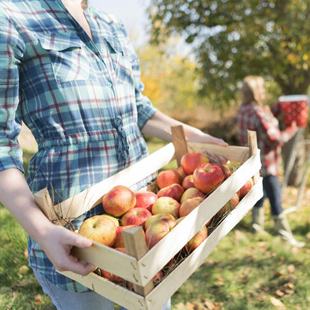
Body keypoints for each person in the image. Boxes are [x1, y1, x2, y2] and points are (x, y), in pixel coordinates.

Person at [0, 1, 228, 309]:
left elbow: (140, 108)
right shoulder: (13, 18)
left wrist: (195, 137)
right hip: (75, 238)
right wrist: (43, 233)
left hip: (147, 225)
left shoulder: (111, 25)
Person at [237, 75, 305, 248]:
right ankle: (285, 235)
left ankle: (256, 226)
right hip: (268, 164)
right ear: (256, 93)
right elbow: (275, 139)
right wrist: (292, 129)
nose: (264, 91)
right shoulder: (260, 113)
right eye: (262, 88)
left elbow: (262, 122)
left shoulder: (243, 110)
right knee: (275, 198)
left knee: (260, 192)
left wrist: (276, 108)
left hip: (252, 163)